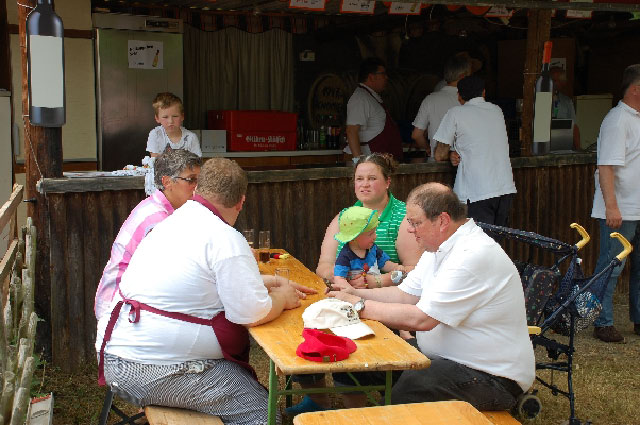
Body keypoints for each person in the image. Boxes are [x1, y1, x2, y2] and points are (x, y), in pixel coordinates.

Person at [96, 158, 313, 425]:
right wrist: (281, 298)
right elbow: (251, 313)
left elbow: (196, 280)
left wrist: (265, 282)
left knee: (241, 387)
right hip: (149, 369)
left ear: (198, 188)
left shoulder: (173, 221)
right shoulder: (224, 237)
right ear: (241, 201)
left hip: (121, 356)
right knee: (262, 416)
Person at [329, 182, 535, 410]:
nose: (410, 229)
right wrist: (352, 292)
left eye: (415, 222)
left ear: (442, 221)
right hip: (449, 362)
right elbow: (404, 294)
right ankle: (355, 414)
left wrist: (358, 305)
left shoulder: (472, 254)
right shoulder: (438, 247)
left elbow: (422, 319)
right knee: (363, 358)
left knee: (414, 384)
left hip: (494, 377)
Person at [287, 153, 421, 415]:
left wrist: (374, 282)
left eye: (372, 178)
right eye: (359, 178)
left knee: (346, 336)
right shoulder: (346, 217)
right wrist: (343, 281)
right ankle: (319, 400)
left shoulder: (404, 217)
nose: (364, 184)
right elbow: (324, 265)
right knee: (304, 328)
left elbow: (415, 274)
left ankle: (367, 409)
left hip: (390, 303)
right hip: (346, 295)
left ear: (388, 182)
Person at [94, 149, 202, 320]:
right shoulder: (158, 220)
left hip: (125, 302)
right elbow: (173, 275)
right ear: (167, 182)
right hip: (120, 310)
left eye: (200, 180)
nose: (197, 187)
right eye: (191, 180)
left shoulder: (157, 206)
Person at [590, 64, 640, 343]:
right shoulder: (617, 120)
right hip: (621, 207)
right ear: (636, 90)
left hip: (637, 206)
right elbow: (606, 166)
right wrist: (611, 206)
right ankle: (602, 321)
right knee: (611, 266)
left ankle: (639, 319)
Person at [433, 75, 516, 227]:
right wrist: (454, 153)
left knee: (477, 240)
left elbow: (439, 154)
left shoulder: (455, 113)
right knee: (496, 239)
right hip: (504, 189)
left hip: (478, 192)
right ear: (483, 92)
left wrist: (450, 154)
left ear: (459, 95)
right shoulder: (496, 110)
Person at [411, 54, 471, 158]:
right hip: (464, 162)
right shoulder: (470, 101)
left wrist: (429, 149)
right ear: (463, 76)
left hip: (437, 162)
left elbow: (416, 135)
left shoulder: (430, 99)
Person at [345, 58, 403, 161]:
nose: (386, 77)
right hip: (370, 162)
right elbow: (351, 131)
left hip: (380, 161)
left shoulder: (371, 97)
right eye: (383, 74)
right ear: (371, 77)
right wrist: (359, 162)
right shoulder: (360, 98)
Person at [333, 206, 404, 290]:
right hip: (357, 293)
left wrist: (396, 267)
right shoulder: (345, 256)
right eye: (370, 234)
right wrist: (349, 290)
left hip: (375, 291)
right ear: (353, 238)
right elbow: (339, 278)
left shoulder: (373, 249)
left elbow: (385, 264)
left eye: (374, 232)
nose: (375, 236)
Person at [146, 92, 202, 157]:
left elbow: (197, 160)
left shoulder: (191, 137)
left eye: (175, 116)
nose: (171, 121)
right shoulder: (155, 134)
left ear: (182, 116)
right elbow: (155, 158)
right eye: (165, 117)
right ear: (157, 118)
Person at [550, 67, 581, 150]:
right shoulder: (539, 100)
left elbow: (574, 126)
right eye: (552, 80)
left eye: (557, 81)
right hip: (543, 148)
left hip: (563, 147)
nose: (554, 84)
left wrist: (578, 148)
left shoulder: (567, 101)